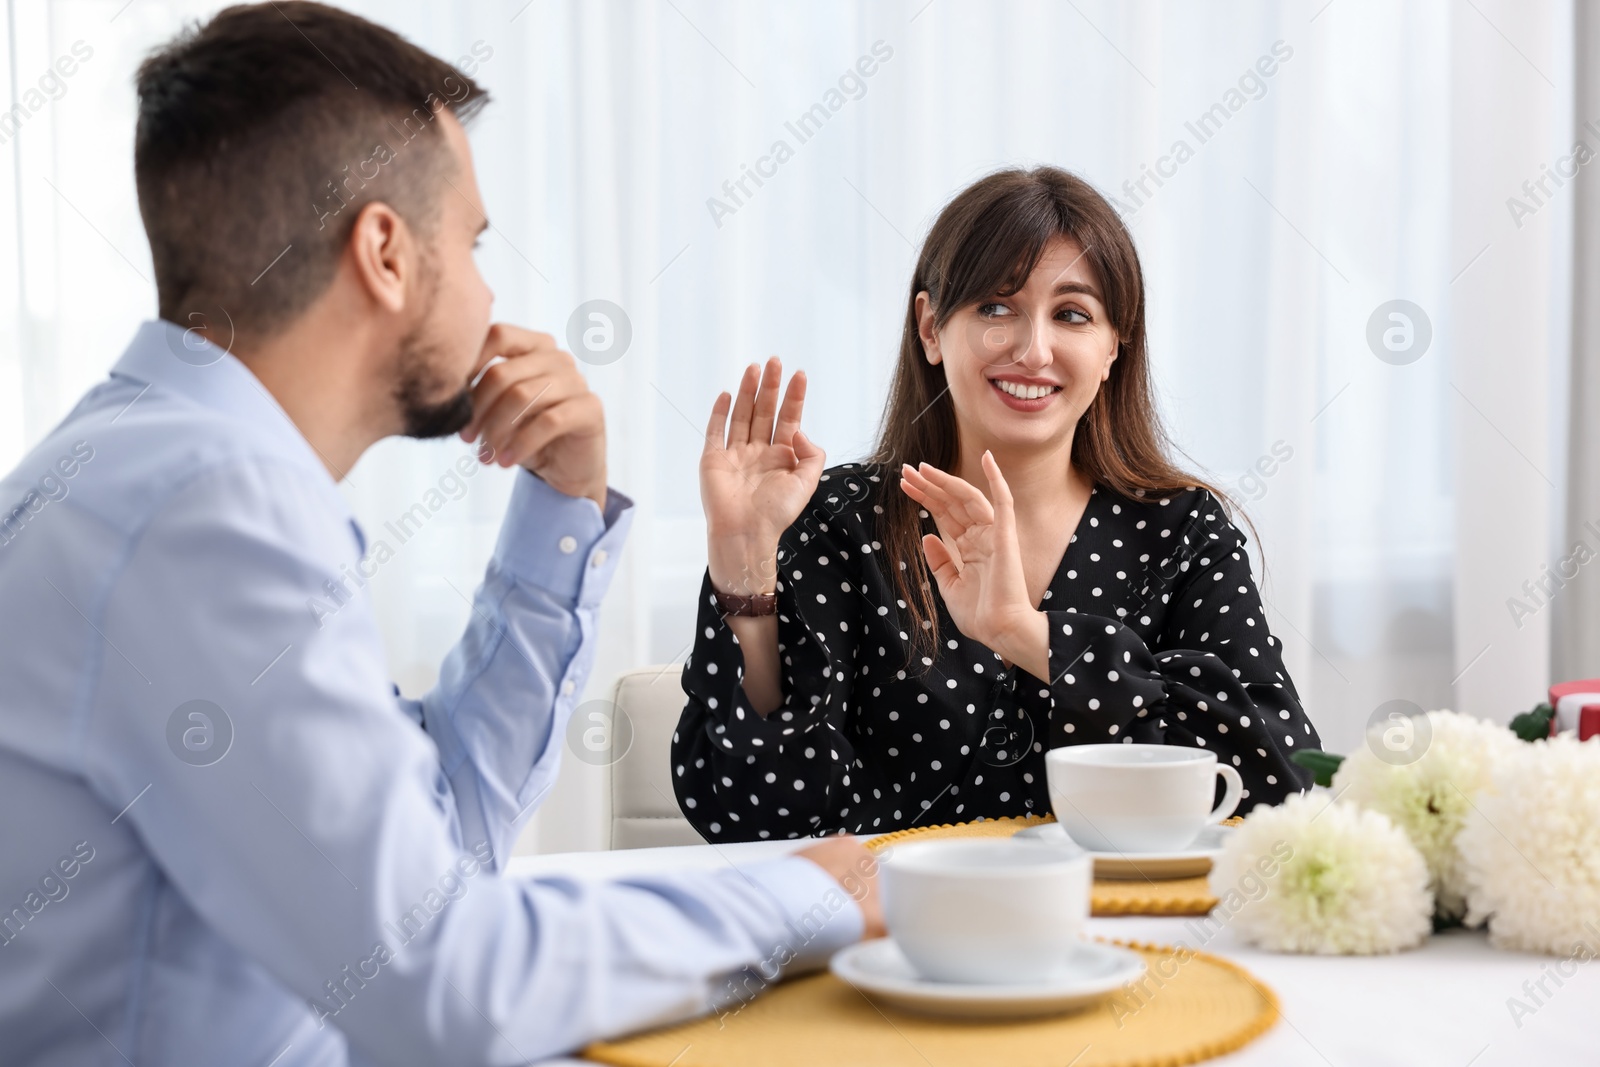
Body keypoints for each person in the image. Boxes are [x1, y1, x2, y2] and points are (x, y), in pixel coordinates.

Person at [0, 5, 880, 1064]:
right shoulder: (203, 507)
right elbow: (443, 981)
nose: (489, 291)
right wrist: (803, 896)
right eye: (469, 243)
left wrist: (561, 507)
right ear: (383, 251)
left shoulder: (152, 466)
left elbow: (443, 844)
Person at [674, 167, 1321, 842]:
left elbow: (1280, 783)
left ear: (1112, 349)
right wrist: (745, 575)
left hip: (1132, 931)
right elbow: (753, 817)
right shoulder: (830, 518)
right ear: (930, 327)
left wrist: (1029, 636)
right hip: (892, 930)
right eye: (995, 307)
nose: (1032, 349)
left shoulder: (1180, 529)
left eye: (1072, 314)